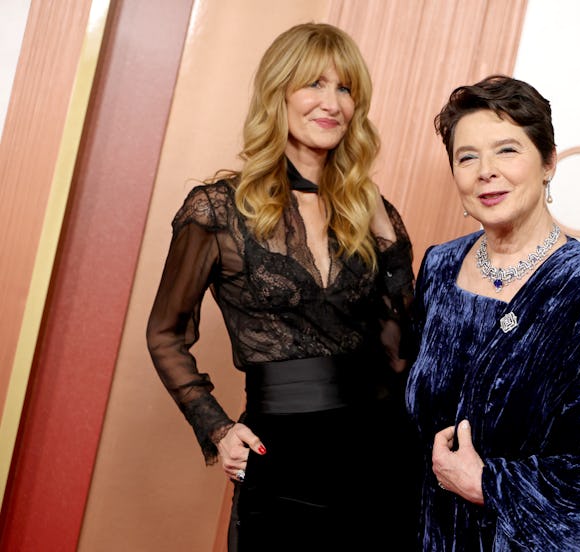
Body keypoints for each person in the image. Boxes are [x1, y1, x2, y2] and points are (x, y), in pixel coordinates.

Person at [147, 23, 418, 551]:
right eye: (314, 84)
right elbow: (164, 333)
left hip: (382, 449)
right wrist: (217, 427)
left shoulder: (371, 209)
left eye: (345, 89)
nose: (332, 102)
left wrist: (391, 245)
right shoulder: (217, 209)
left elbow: (403, 347)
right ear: (279, 92)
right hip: (284, 455)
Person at [406, 75, 580, 550]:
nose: (486, 171)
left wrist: (488, 484)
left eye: (507, 150)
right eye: (467, 157)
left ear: (548, 162)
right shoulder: (438, 267)